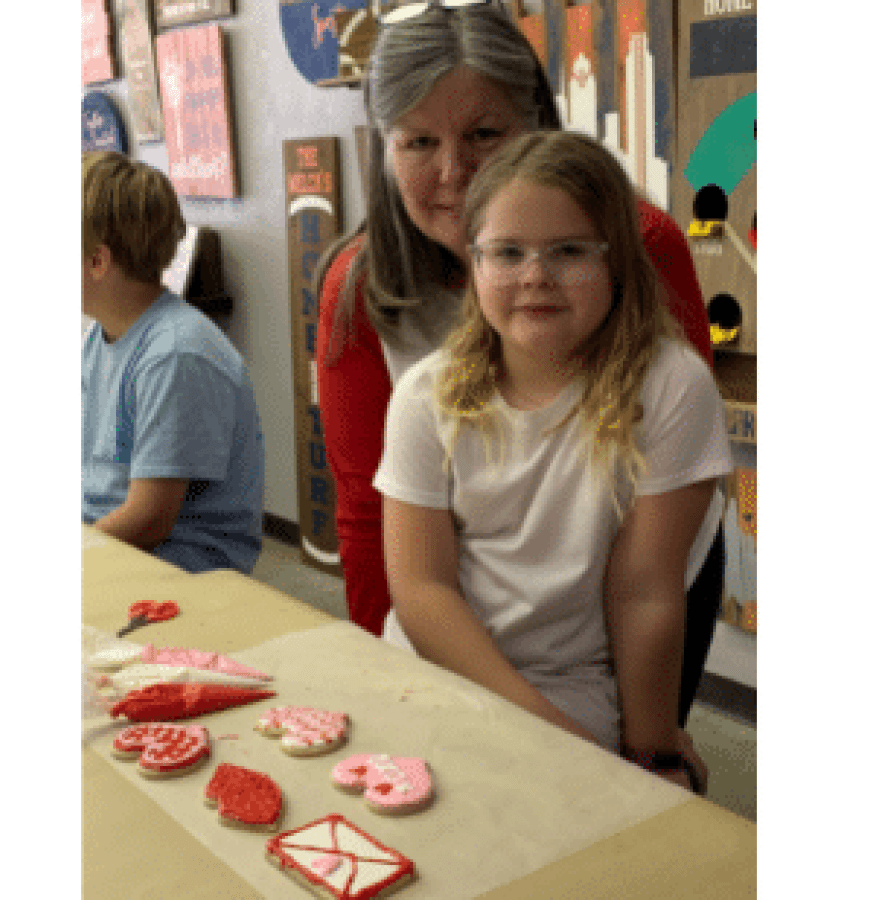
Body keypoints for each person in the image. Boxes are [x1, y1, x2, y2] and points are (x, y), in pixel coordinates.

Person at [315, 4, 722, 727]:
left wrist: (645, 730)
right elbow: (368, 516)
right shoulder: (360, 292)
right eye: (417, 142)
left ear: (536, 123)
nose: (455, 173)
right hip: (459, 610)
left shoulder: (640, 244)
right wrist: (388, 681)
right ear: (383, 148)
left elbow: (661, 513)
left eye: (483, 135)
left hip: (630, 576)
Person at [374, 129, 732, 790]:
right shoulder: (424, 396)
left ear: (617, 260)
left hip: (573, 684)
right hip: (435, 671)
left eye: (568, 251)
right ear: (474, 263)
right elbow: (423, 593)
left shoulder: (671, 386)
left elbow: (644, 588)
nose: (535, 275)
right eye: (506, 252)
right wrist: (544, 730)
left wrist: (653, 753)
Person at [81, 150, 265, 574]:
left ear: (97, 262)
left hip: (177, 569)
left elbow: (148, 520)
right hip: (115, 548)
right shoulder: (102, 335)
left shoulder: (176, 355)